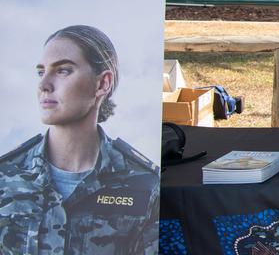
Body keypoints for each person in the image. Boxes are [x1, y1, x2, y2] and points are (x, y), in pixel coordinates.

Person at [0, 25, 159, 254]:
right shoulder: (6, 175)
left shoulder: (145, 184)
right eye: (40, 72)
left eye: (63, 70)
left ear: (102, 83)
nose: (44, 85)